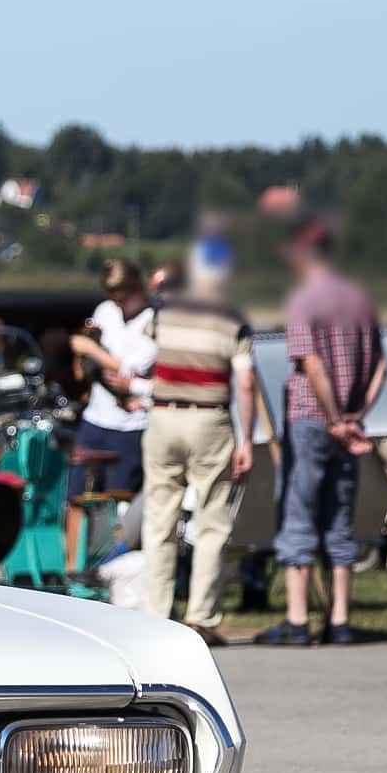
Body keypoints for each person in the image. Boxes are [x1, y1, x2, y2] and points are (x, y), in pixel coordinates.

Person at [257, 220, 373, 647]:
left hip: (312, 417)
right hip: (352, 424)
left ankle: (298, 618)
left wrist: (333, 416)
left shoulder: (304, 300)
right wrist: (355, 415)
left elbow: (312, 365)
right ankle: (340, 618)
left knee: (299, 513)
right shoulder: (359, 297)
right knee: (340, 517)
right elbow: (380, 365)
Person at [130, 261, 257, 637]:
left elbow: (144, 357)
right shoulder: (233, 318)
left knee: (159, 520)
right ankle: (201, 618)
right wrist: (246, 439)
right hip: (209, 419)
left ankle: (155, 614)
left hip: (165, 416)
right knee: (212, 521)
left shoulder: (165, 312)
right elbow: (246, 383)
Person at [65, 260, 156, 578]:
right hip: (96, 421)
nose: (117, 302)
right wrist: (85, 353)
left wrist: (92, 350)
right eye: (112, 295)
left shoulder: (152, 320)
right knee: (76, 499)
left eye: (122, 295)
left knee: (123, 506)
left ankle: (112, 573)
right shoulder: (105, 311)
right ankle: (72, 571)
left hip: (132, 427)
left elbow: (131, 367)